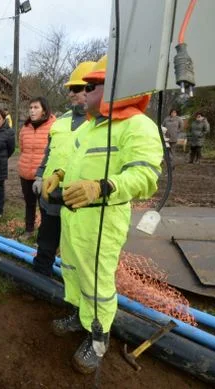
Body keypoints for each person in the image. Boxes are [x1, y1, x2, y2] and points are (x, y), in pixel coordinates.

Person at [43, 55, 162, 374]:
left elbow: (147, 177)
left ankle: (98, 340)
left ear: (115, 90)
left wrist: (103, 186)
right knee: (71, 269)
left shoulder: (138, 127)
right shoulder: (92, 127)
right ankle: (79, 316)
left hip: (101, 221)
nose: (83, 93)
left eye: (90, 86)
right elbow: (76, 162)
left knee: (97, 282)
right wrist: (59, 172)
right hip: (74, 217)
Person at [31, 61, 95, 276]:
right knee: (46, 241)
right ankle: (40, 279)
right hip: (50, 193)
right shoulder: (60, 121)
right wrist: (40, 176)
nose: (70, 94)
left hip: (78, 200)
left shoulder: (102, 124)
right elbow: (50, 152)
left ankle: (72, 293)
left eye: (76, 89)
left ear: (93, 88)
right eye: (70, 89)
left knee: (74, 247)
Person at [17, 97, 56, 240]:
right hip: (25, 172)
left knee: (44, 207)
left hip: (43, 175)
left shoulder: (54, 126)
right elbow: (21, 147)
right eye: (30, 108)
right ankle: (29, 230)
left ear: (44, 110)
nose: (32, 111)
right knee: (29, 203)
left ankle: (44, 236)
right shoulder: (25, 127)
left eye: (36, 108)